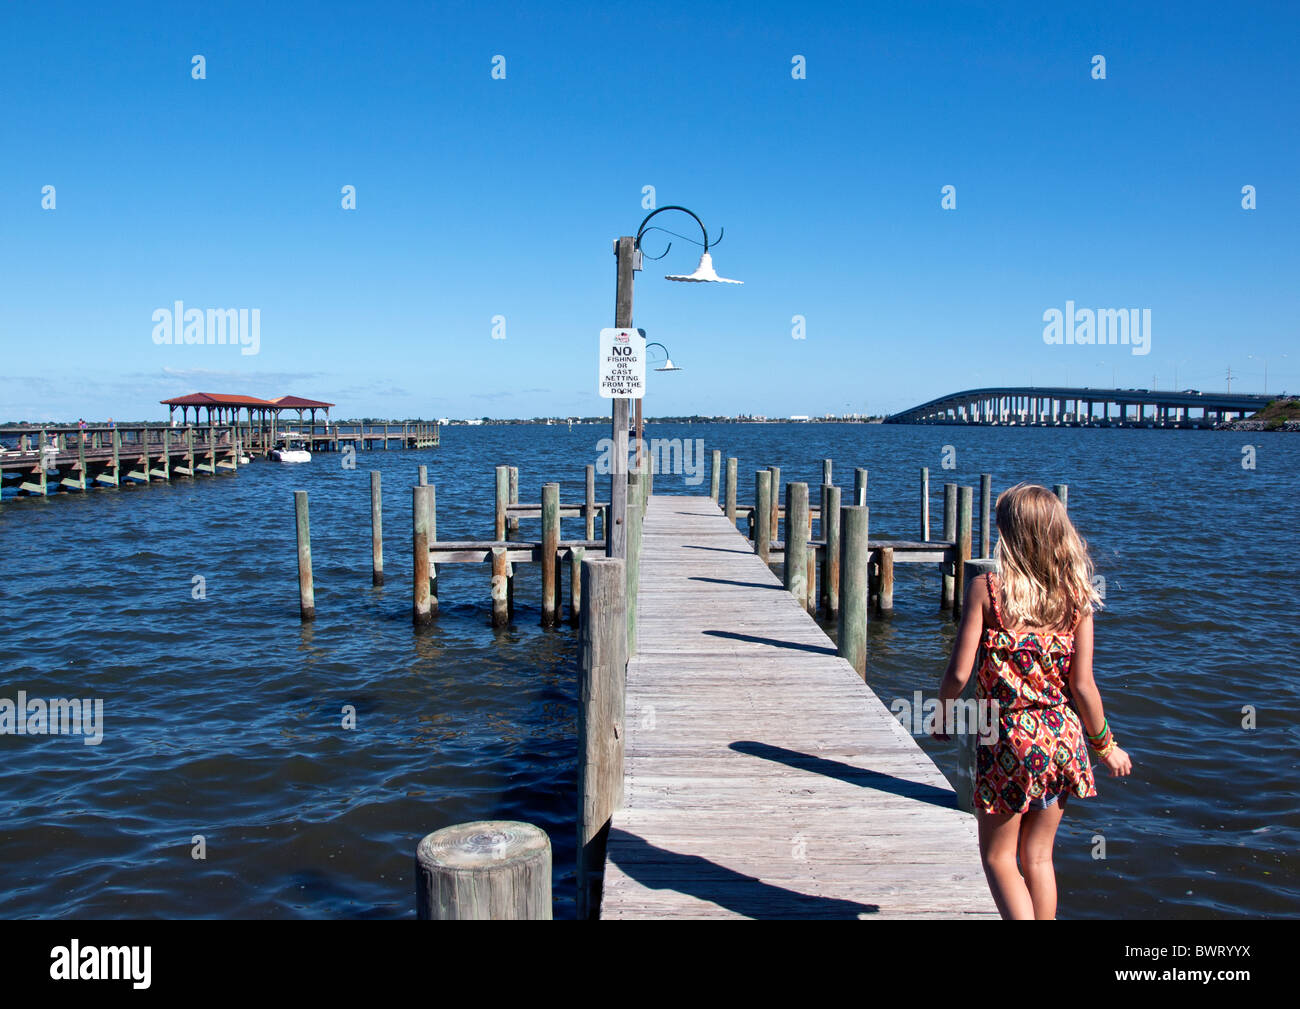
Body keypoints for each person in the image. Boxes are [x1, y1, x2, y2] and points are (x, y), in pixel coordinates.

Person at [934, 482, 1131, 919]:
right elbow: (1084, 687)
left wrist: (944, 712)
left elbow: (960, 673)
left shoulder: (988, 590)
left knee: (999, 857)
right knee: (1039, 858)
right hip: (1063, 739)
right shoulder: (1077, 598)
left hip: (1007, 736)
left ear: (1010, 534)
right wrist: (1107, 746)